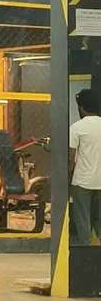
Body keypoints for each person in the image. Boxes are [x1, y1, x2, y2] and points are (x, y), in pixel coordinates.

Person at [69, 88, 101, 246]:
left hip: (82, 181)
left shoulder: (77, 128)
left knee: (83, 218)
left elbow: (71, 159)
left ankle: (85, 248)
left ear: (81, 107)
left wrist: (67, 180)